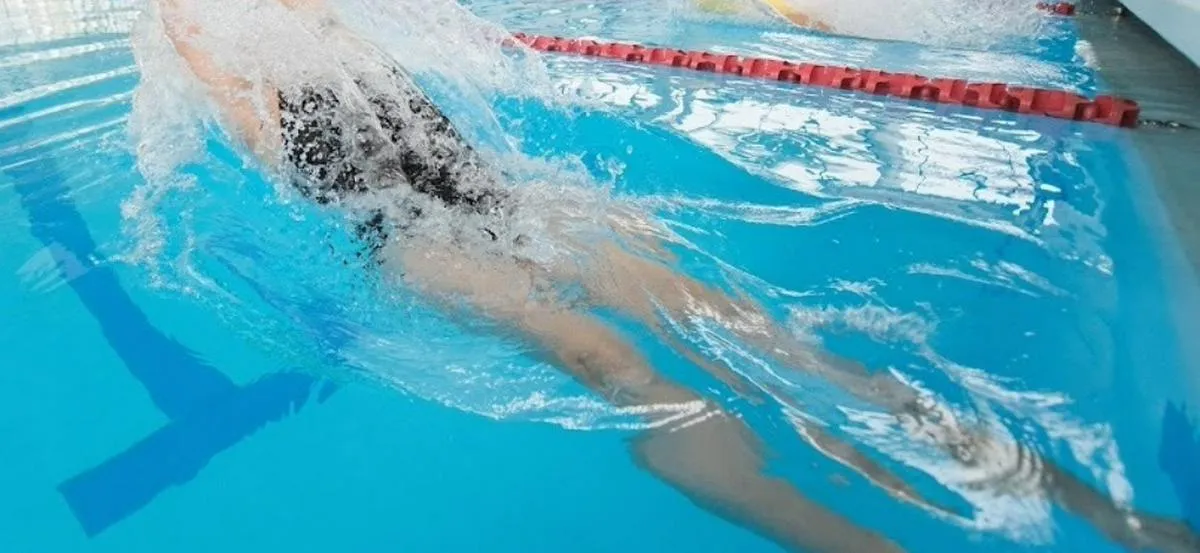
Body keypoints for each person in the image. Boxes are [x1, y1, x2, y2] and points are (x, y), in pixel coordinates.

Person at [152, 1, 1200, 552]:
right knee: (602, 355)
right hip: (411, 241)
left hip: (509, 198)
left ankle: (1091, 508)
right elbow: (247, 114)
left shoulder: (329, 15)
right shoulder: (207, 36)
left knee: (757, 330)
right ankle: (855, 540)